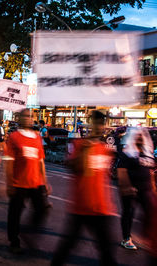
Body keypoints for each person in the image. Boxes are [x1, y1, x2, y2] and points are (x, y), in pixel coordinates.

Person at [52, 111, 117, 266]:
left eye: (101, 123)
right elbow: (72, 167)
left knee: (106, 251)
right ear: (89, 124)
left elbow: (105, 176)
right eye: (96, 123)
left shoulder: (105, 148)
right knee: (66, 247)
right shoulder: (79, 144)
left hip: (101, 208)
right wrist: (85, 151)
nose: (99, 127)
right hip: (81, 207)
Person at [5, 109, 51, 254]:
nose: (29, 119)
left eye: (31, 116)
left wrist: (45, 181)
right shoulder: (14, 137)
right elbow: (8, 162)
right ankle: (14, 241)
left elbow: (41, 161)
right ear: (19, 118)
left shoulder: (37, 137)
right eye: (26, 116)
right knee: (15, 213)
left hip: (35, 182)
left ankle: (27, 232)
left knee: (42, 209)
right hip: (18, 183)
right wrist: (9, 182)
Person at [117, 128, 156, 250]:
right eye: (137, 136)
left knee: (150, 212)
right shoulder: (127, 153)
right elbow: (121, 170)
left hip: (146, 189)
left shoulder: (147, 153)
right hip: (131, 189)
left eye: (141, 136)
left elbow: (150, 172)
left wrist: (153, 188)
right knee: (129, 213)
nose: (139, 138)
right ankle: (126, 239)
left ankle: (148, 237)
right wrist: (126, 187)